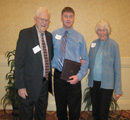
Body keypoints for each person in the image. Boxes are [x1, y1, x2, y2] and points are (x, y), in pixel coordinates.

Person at [15, 7, 53, 120]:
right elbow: (19, 62)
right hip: (28, 85)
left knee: (41, 114)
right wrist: (20, 86)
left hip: (44, 84)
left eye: (47, 20)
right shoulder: (25, 34)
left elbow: (50, 57)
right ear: (35, 19)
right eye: (42, 19)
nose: (44, 22)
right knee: (26, 115)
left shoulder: (49, 37)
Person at [52, 7, 89, 120]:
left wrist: (78, 77)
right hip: (58, 76)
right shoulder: (53, 35)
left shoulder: (80, 37)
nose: (68, 19)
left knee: (74, 109)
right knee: (60, 108)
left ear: (73, 19)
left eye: (70, 16)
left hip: (74, 76)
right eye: (66, 16)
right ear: (61, 18)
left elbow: (85, 60)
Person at [88, 20, 122, 120]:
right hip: (94, 83)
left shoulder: (113, 45)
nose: (101, 32)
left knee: (103, 112)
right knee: (95, 111)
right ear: (97, 31)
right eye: (99, 30)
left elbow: (117, 68)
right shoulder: (93, 44)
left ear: (107, 31)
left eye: (103, 30)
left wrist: (118, 90)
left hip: (107, 84)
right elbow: (90, 64)